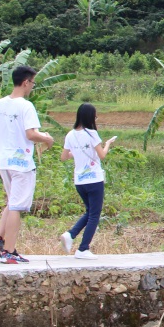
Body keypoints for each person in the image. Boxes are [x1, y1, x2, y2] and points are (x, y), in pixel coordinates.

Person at [0, 65, 54, 265]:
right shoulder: (26, 106)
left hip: (4, 161)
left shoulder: (0, 103)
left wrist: (8, 132)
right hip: (21, 163)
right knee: (17, 206)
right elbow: (31, 134)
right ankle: (9, 251)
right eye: (32, 83)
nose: (32, 86)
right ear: (25, 82)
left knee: (11, 201)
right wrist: (47, 139)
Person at [59, 103, 116, 259]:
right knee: (94, 215)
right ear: (90, 117)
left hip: (79, 181)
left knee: (90, 212)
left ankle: (71, 235)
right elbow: (102, 155)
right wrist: (108, 144)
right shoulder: (92, 134)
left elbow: (64, 157)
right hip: (94, 180)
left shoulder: (70, 135)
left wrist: (75, 153)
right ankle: (83, 249)